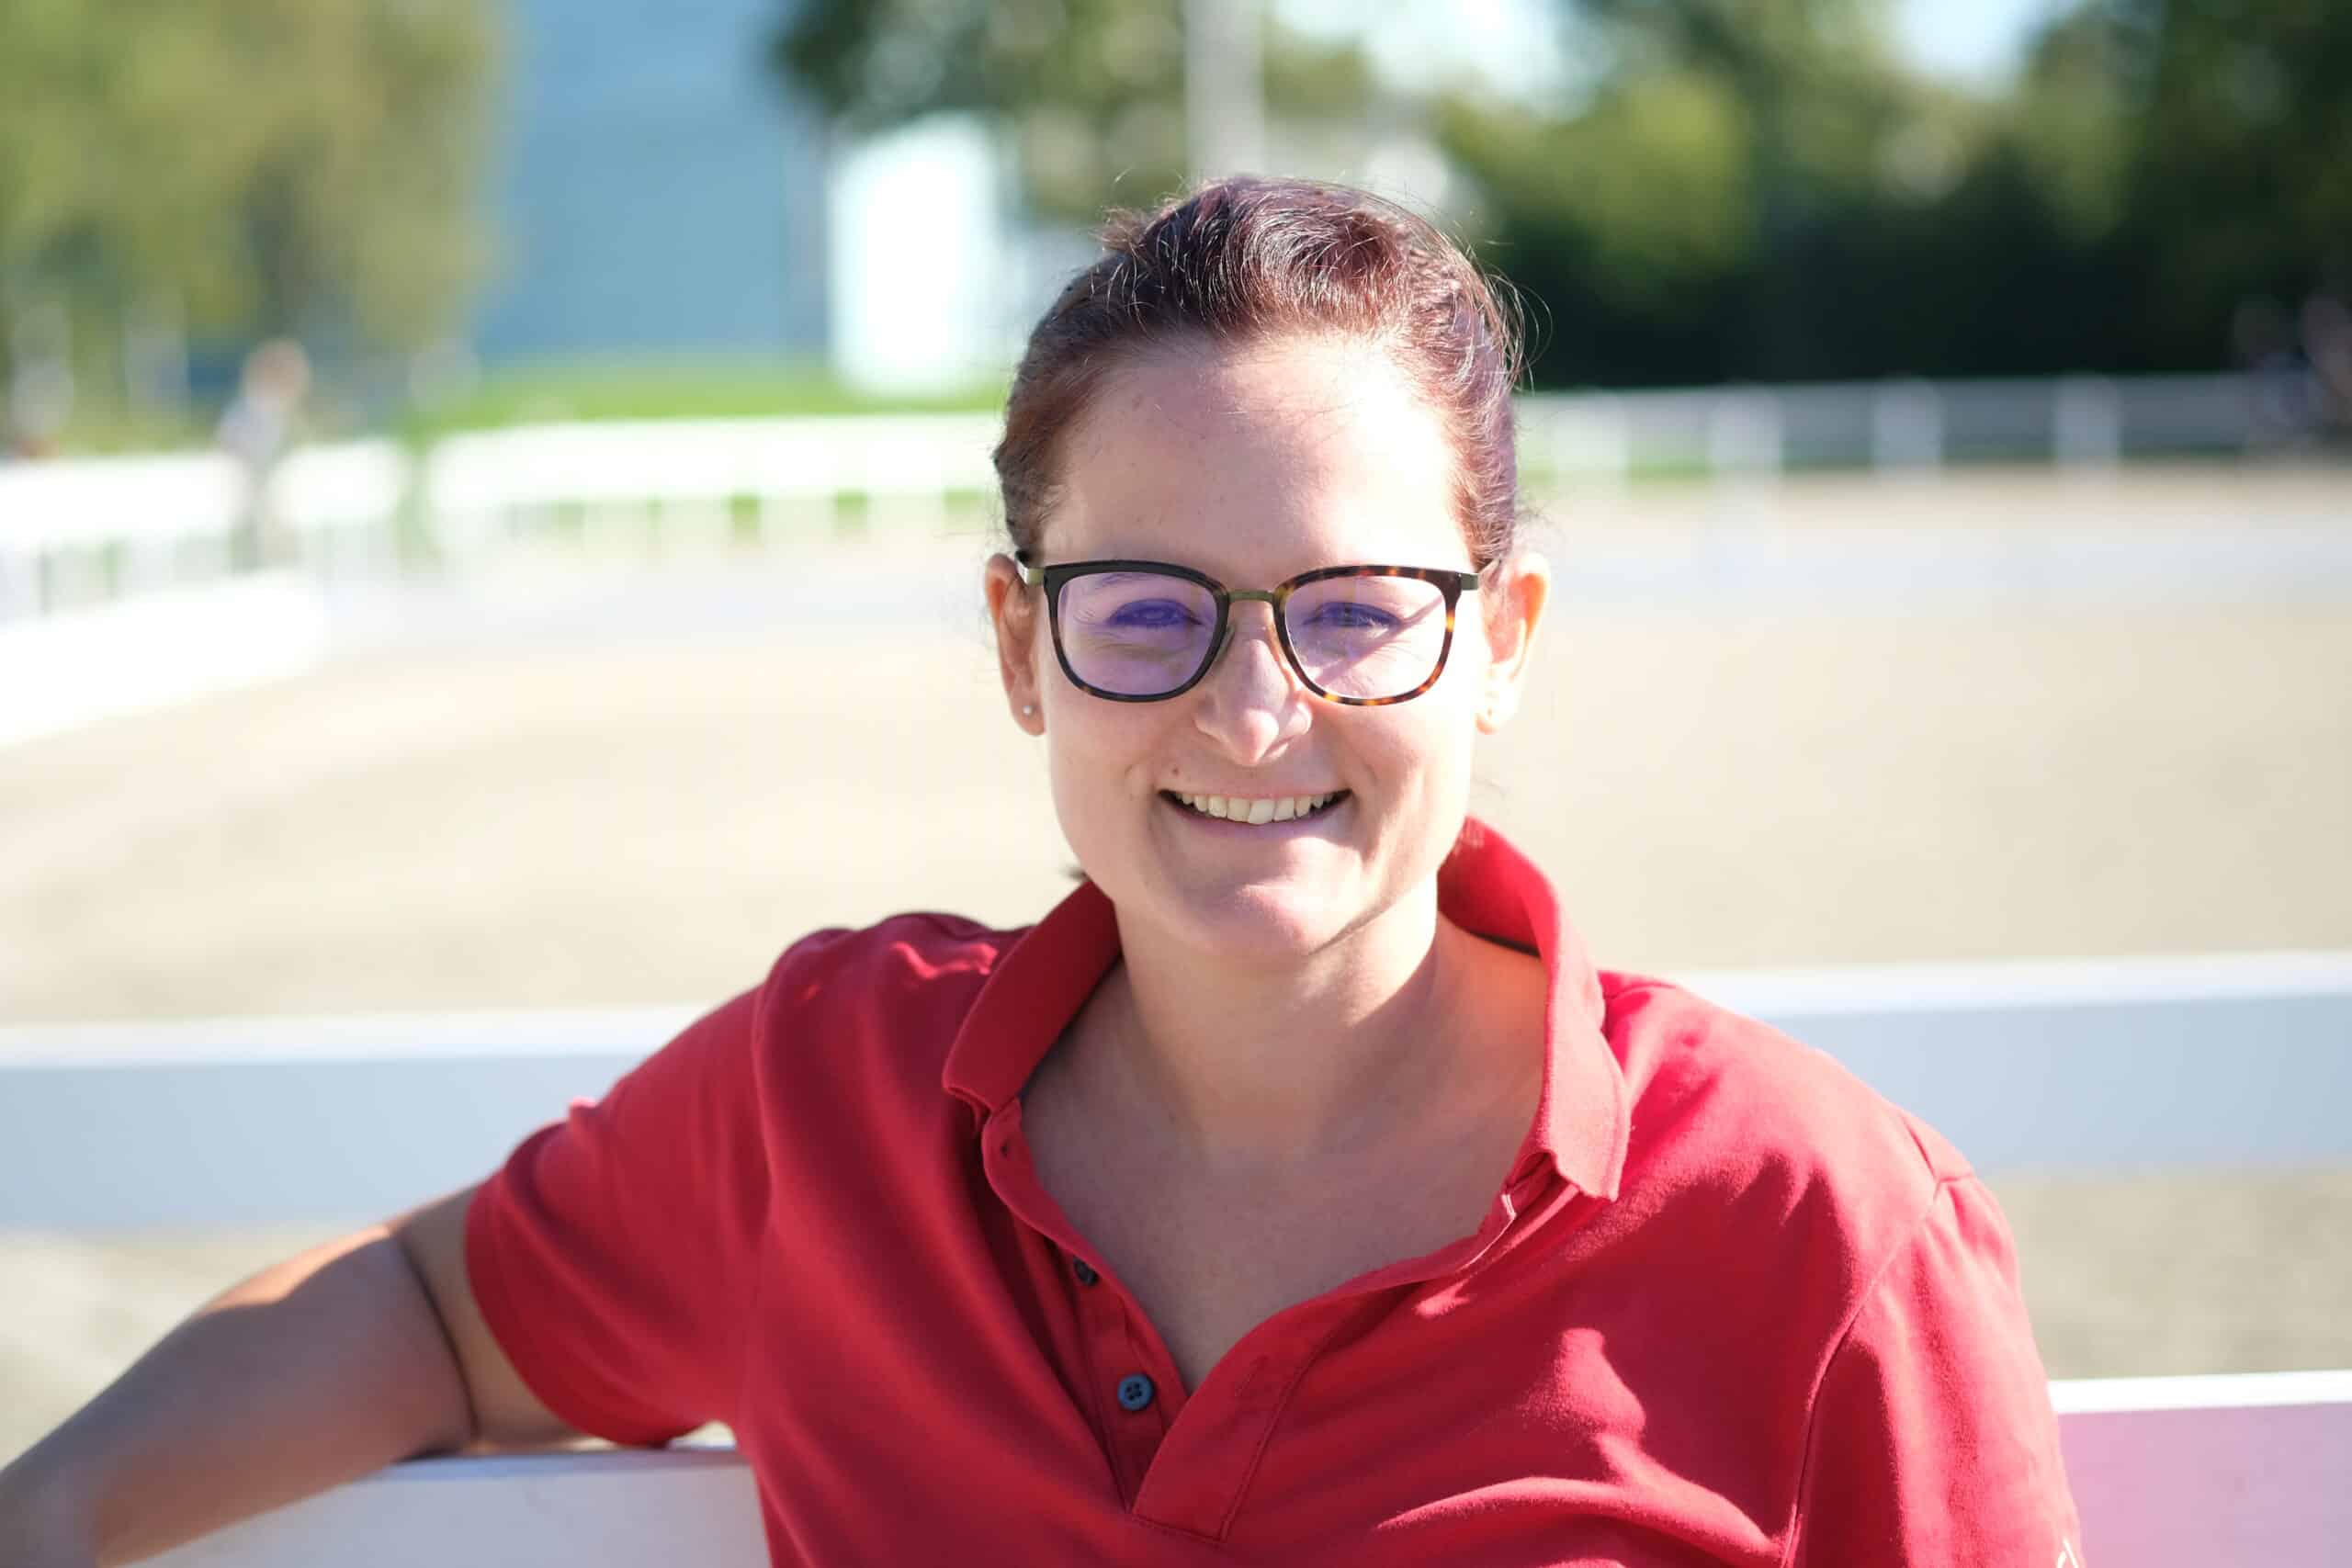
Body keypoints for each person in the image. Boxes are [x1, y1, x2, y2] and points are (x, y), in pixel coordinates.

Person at [0, 177, 2083, 1566]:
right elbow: (429, 1311)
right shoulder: (828, 1100)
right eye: (1145, 609)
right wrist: (51, 1509)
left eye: (1357, 610)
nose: (1252, 712)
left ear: (1502, 639)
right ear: (1020, 646)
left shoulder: (1821, 1230)